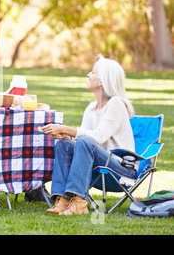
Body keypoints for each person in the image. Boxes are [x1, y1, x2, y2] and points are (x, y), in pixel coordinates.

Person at [41, 55, 136, 215]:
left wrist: (65, 128)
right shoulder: (91, 108)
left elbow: (97, 137)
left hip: (120, 172)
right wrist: (66, 137)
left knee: (85, 141)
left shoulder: (116, 104)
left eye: (93, 72)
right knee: (63, 145)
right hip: (97, 166)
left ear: (101, 81)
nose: (88, 75)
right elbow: (81, 143)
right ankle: (63, 199)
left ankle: (79, 203)